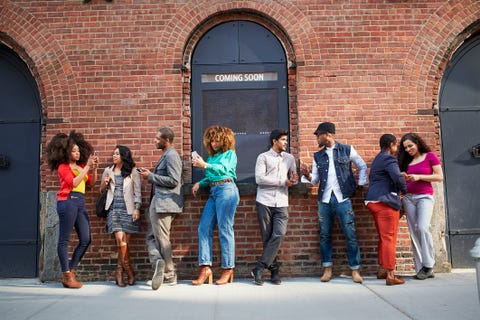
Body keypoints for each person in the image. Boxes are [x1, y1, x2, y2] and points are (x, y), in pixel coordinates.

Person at [300, 122, 367, 283]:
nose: (317, 138)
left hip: (343, 198)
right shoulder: (318, 156)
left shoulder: (347, 150)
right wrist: (307, 175)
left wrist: (359, 186)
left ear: (328, 134)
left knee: (350, 234)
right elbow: (315, 181)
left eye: (318, 135)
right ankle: (327, 269)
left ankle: (355, 270)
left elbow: (362, 166)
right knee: (324, 235)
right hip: (324, 199)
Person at [46, 131, 98, 289]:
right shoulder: (63, 167)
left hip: (80, 202)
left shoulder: (80, 166)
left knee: (86, 239)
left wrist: (93, 169)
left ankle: (70, 270)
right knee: (64, 240)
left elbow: (91, 184)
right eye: (74, 150)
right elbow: (74, 183)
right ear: (66, 152)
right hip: (67, 201)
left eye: (78, 150)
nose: (77, 153)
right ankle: (67, 275)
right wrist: (87, 167)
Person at [191, 125, 240, 285]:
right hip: (214, 191)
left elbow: (224, 169)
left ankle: (228, 268)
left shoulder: (229, 154)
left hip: (227, 190)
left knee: (225, 229)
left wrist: (205, 165)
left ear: (224, 140)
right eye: (211, 140)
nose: (213, 143)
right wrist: (201, 182)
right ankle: (205, 268)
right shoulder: (212, 157)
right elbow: (212, 175)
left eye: (216, 139)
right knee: (203, 228)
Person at [251, 129, 297, 286]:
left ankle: (259, 268)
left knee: (278, 234)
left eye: (286, 140)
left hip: (282, 202)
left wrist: (295, 179)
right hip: (264, 201)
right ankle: (274, 272)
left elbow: (293, 177)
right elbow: (259, 179)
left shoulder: (290, 158)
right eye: (283, 140)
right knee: (267, 238)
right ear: (274, 141)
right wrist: (281, 182)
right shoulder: (263, 157)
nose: (286, 142)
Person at [138, 127, 183, 290]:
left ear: (167, 140)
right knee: (152, 237)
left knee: (162, 239)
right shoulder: (166, 155)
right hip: (158, 202)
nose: (155, 141)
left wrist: (150, 176)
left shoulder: (172, 155)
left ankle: (170, 274)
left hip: (164, 203)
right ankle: (158, 263)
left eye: (158, 138)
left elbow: (173, 180)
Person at [398, 133, 443, 280]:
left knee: (423, 227)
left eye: (410, 146)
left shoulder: (430, 156)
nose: (408, 149)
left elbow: (439, 176)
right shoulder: (406, 160)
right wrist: (404, 176)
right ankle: (420, 268)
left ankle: (429, 265)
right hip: (409, 198)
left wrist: (419, 177)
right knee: (413, 232)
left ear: (417, 143)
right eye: (405, 148)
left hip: (424, 197)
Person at [365, 134, 407, 286]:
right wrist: (405, 191)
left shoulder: (378, 158)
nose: (397, 149)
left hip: (373, 201)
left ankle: (382, 269)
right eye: (396, 146)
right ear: (391, 144)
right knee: (390, 237)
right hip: (385, 201)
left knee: (384, 237)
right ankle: (390, 274)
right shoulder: (389, 158)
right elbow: (397, 177)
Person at [100, 145, 141, 287]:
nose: (114, 156)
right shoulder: (108, 171)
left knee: (125, 244)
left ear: (124, 156)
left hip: (128, 209)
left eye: (117, 154)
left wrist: (137, 209)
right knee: (120, 241)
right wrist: (105, 184)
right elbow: (100, 189)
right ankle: (128, 270)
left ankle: (119, 270)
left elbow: (137, 192)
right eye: (113, 154)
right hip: (114, 209)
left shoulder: (133, 171)